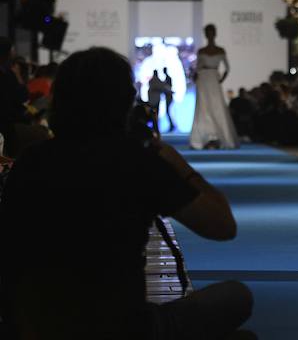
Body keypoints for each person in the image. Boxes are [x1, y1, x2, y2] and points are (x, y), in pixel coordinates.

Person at [0, 47, 254, 338]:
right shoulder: (137, 162)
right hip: (123, 325)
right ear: (124, 102)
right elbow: (222, 225)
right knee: (237, 297)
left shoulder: (31, 161)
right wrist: (179, 166)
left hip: (40, 325)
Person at [190, 24, 240, 150]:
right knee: (203, 107)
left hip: (213, 79)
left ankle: (218, 137)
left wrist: (221, 80)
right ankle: (204, 137)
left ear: (214, 34)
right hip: (203, 79)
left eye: (211, 32)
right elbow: (197, 68)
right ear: (206, 34)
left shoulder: (220, 50)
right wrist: (195, 77)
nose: (210, 34)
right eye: (208, 32)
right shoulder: (201, 51)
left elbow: (227, 68)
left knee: (217, 106)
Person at [161, 66, 176, 132]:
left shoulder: (168, 78)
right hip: (168, 96)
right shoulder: (167, 78)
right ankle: (172, 125)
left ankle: (172, 125)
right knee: (168, 111)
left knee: (167, 111)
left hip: (169, 96)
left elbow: (168, 88)